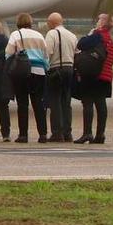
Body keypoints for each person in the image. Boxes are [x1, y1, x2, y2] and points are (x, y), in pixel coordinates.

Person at [6, 13, 49, 143]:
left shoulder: (15, 35)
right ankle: (43, 134)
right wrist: (45, 68)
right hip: (39, 71)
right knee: (38, 104)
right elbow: (46, 56)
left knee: (23, 103)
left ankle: (23, 135)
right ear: (31, 22)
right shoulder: (39, 36)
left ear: (18, 23)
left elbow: (8, 53)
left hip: (21, 72)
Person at [74, 13, 113, 144]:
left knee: (87, 103)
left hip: (93, 74)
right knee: (101, 104)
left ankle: (87, 133)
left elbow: (81, 44)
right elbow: (112, 59)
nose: (97, 22)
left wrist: (90, 34)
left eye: (98, 20)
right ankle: (100, 134)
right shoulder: (109, 38)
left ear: (103, 23)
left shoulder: (97, 35)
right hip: (106, 75)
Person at [43, 13, 77, 142]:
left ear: (51, 23)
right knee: (66, 102)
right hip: (69, 69)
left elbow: (47, 53)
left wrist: (46, 68)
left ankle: (57, 133)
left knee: (55, 101)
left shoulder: (52, 34)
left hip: (56, 69)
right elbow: (76, 52)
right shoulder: (72, 35)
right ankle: (67, 132)